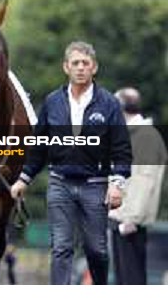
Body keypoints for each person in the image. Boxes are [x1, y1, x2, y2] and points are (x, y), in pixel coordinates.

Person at [10, 41, 132, 285]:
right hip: (60, 184)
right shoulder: (52, 102)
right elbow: (39, 146)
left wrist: (117, 183)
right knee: (61, 248)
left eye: (85, 63)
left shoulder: (109, 104)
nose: (80, 68)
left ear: (94, 68)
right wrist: (24, 178)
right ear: (66, 67)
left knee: (96, 250)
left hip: (95, 185)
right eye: (75, 63)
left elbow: (121, 150)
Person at [109, 88, 167, 285]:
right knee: (123, 279)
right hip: (121, 218)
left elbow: (144, 181)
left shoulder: (146, 136)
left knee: (131, 279)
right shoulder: (132, 134)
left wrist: (131, 218)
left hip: (130, 221)